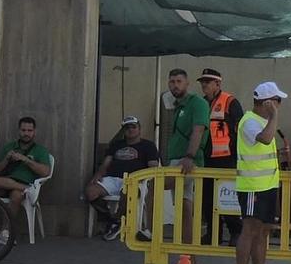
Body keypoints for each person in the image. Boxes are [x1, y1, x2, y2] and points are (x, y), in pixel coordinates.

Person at [232, 82, 286, 264]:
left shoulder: (261, 120)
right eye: (277, 102)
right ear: (268, 103)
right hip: (252, 186)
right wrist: (273, 117)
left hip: (266, 185)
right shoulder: (250, 122)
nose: (279, 105)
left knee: (263, 230)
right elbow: (265, 139)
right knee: (249, 229)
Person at [85, 115, 161, 238]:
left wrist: (140, 179)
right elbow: (105, 164)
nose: (130, 130)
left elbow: (153, 168)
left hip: (135, 180)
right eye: (127, 128)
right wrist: (98, 174)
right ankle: (113, 221)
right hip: (113, 179)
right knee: (90, 191)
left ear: (139, 129)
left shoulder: (148, 146)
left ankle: (118, 221)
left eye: (133, 127)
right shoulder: (116, 144)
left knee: (127, 192)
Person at [162, 67, 208, 240]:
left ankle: (148, 234)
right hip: (177, 161)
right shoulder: (177, 106)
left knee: (154, 185)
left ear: (187, 83)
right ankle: (190, 260)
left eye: (179, 81)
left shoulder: (197, 103)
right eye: (172, 82)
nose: (175, 85)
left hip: (186, 162)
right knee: (184, 209)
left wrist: (189, 157)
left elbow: (198, 131)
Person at [197, 67, 242, 242]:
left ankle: (235, 231)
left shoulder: (230, 101)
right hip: (207, 158)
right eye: (202, 82)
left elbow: (239, 129)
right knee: (207, 198)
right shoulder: (202, 103)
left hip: (227, 158)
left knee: (227, 197)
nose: (204, 85)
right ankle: (213, 233)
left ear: (218, 83)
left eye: (207, 82)